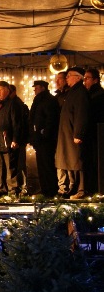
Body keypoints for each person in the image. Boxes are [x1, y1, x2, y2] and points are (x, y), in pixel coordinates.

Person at [55, 67, 90, 200]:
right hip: (67, 133)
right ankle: (73, 188)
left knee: (78, 162)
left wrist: (79, 133)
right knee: (71, 161)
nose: (67, 78)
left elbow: (81, 114)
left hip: (74, 134)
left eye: (69, 75)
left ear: (78, 77)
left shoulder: (80, 92)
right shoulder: (72, 92)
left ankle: (82, 190)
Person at [0, 81, 22, 198]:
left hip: (8, 142)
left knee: (10, 167)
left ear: (7, 90)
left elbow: (16, 123)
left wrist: (15, 139)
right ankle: (1, 189)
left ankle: (12, 190)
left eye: (1, 90)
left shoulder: (13, 105)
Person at [28, 80, 60, 197]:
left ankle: (51, 189)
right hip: (39, 139)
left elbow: (50, 119)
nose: (34, 90)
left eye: (36, 87)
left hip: (46, 140)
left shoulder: (48, 100)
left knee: (47, 164)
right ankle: (45, 188)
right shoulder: (38, 100)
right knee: (41, 165)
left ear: (42, 88)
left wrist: (44, 132)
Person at [83, 68, 104, 194]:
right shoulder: (89, 95)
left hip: (97, 135)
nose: (85, 81)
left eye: (87, 78)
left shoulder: (97, 96)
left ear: (95, 80)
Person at [54, 70, 73, 197]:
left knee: (70, 160)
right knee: (60, 160)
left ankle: (72, 186)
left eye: (60, 79)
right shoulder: (57, 98)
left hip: (69, 133)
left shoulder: (71, 95)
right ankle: (62, 187)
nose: (57, 81)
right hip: (58, 133)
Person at [9, 84, 29, 196]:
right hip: (14, 139)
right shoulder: (12, 104)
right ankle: (18, 187)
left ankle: (23, 187)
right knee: (15, 164)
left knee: (20, 164)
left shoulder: (18, 104)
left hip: (19, 140)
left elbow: (20, 124)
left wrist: (18, 139)